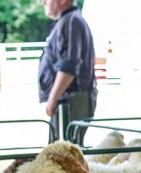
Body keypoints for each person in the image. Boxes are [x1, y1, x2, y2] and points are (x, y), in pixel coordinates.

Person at [38, 0, 97, 141]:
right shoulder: (70, 20)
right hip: (70, 98)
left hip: (71, 99)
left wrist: (53, 98)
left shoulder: (70, 22)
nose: (43, 2)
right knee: (63, 151)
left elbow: (69, 64)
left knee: (63, 154)